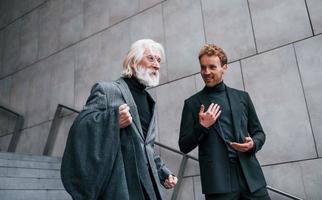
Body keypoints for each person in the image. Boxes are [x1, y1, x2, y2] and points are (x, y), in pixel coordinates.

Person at [61, 39, 177, 200]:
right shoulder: (107, 90)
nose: (157, 65)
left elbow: (145, 147)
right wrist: (112, 121)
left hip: (149, 189)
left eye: (159, 60)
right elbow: (80, 128)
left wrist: (163, 172)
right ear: (133, 61)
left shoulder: (149, 101)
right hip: (121, 188)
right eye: (151, 58)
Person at [178, 44, 270, 200]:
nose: (206, 72)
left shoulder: (242, 98)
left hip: (251, 180)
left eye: (212, 67)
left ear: (224, 68)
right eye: (203, 67)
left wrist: (253, 144)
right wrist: (202, 127)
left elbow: (259, 133)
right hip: (218, 184)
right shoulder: (192, 104)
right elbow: (184, 145)